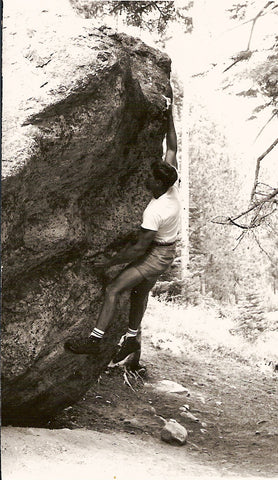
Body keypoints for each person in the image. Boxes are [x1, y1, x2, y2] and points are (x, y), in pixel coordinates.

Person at [65, 98, 181, 363]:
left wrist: (110, 262)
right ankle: (130, 338)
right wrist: (169, 113)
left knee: (114, 289)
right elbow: (172, 146)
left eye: (149, 177)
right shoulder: (173, 184)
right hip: (165, 250)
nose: (145, 178)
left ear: (159, 183)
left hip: (156, 255)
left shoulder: (156, 210)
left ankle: (94, 340)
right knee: (140, 292)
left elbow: (139, 249)